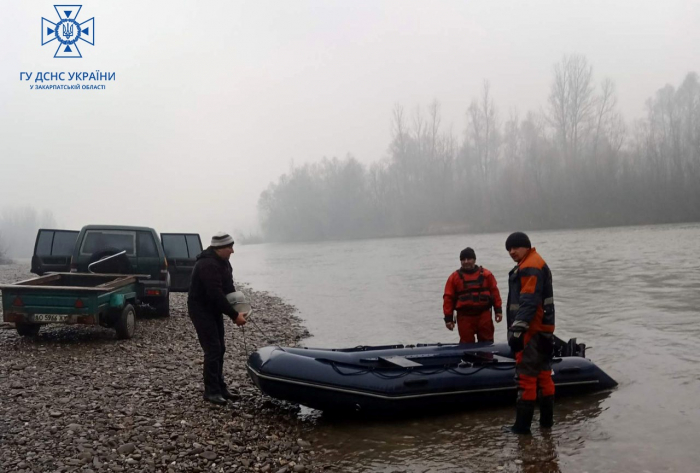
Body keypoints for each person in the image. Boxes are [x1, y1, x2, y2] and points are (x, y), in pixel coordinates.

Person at [188, 232, 248, 405]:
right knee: (213, 349)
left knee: (221, 347)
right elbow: (215, 294)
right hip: (200, 309)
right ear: (219, 248)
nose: (232, 251)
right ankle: (211, 391)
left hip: (214, 309)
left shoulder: (224, 262)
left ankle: (221, 387)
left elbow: (228, 289)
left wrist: (239, 310)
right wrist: (234, 316)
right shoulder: (207, 264)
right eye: (229, 247)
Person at [505, 232, 555, 434]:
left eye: (515, 247)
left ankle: (522, 427)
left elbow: (528, 300)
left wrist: (518, 330)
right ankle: (546, 424)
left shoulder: (530, 266)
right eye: (509, 249)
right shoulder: (535, 262)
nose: (512, 252)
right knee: (544, 375)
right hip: (544, 330)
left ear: (526, 246)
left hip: (531, 332)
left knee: (526, 377)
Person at [443, 247, 503, 343]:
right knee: (466, 344)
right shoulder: (454, 278)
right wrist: (448, 319)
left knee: (487, 342)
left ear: (474, 260)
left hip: (484, 315)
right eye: (463, 259)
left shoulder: (487, 275)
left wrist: (498, 310)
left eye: (469, 259)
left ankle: (487, 358)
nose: (466, 262)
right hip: (464, 317)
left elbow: (495, 293)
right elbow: (448, 298)